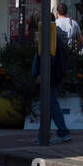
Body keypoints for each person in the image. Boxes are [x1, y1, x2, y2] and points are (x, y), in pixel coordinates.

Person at [32, 15, 71, 143]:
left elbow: (49, 59)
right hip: (52, 76)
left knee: (51, 104)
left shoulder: (51, 38)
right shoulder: (54, 37)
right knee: (48, 105)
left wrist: (41, 74)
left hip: (49, 77)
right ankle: (44, 134)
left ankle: (62, 132)